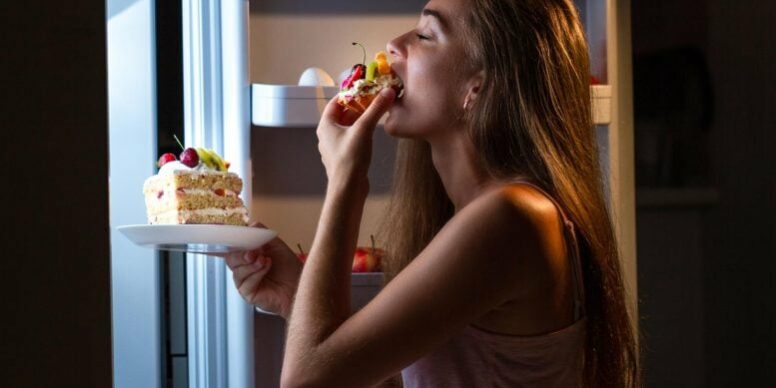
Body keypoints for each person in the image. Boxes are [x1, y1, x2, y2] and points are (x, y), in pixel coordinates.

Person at [226, 0, 639, 386]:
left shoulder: (511, 218)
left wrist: (346, 181)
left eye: (425, 35)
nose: (394, 45)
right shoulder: (483, 216)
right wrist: (296, 296)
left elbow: (307, 382)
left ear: (477, 87)